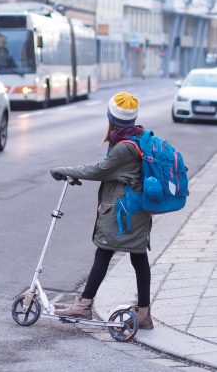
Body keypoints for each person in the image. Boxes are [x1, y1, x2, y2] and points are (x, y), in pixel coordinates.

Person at [50, 91, 153, 330]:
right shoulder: (136, 137)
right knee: (137, 256)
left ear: (111, 116)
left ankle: (84, 305)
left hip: (123, 209)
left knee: (104, 251)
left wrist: (64, 170)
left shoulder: (123, 147)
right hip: (136, 208)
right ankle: (144, 313)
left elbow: (99, 170)